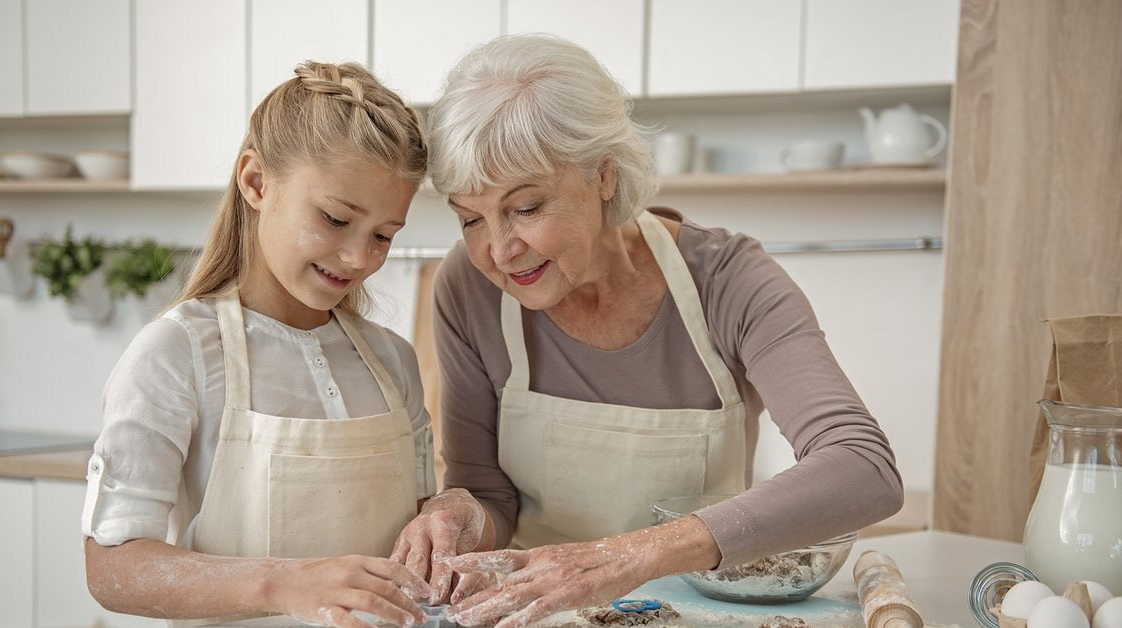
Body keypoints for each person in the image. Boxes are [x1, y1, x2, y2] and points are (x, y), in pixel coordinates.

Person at [391, 34, 905, 628]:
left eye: (526, 208)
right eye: (470, 219)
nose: (500, 251)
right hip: (540, 615)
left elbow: (862, 466)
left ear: (604, 176)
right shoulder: (468, 286)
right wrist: (460, 514)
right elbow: (489, 493)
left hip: (702, 614)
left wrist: (625, 557)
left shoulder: (729, 279)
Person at [82, 61, 435, 628]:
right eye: (335, 219)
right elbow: (113, 567)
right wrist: (287, 585)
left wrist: (446, 517)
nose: (359, 257)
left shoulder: (392, 360)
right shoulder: (177, 354)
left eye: (383, 236)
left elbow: (418, 539)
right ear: (256, 182)